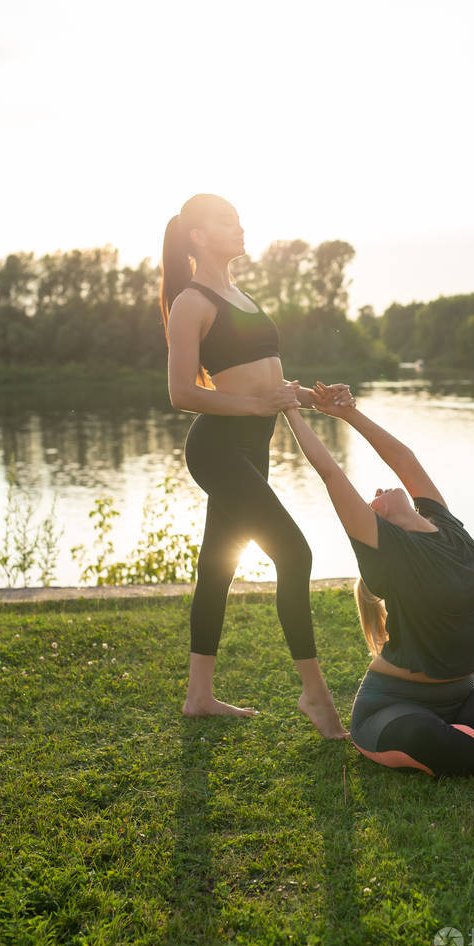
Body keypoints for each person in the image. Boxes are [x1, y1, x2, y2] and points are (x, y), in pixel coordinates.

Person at [285, 389, 474, 776]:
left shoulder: (446, 525)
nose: (377, 491)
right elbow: (330, 473)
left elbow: (403, 459)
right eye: (372, 500)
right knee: (425, 737)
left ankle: (469, 743)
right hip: (392, 709)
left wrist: (345, 413)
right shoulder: (390, 551)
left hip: (463, 698)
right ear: (378, 523)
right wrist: (290, 410)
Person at [160, 193, 349, 738]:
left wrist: (316, 397)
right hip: (218, 448)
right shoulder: (192, 302)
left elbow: (271, 387)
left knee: (217, 567)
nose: (240, 229)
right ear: (198, 235)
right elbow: (180, 393)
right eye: (227, 222)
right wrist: (256, 406)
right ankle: (315, 697)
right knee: (295, 552)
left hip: (253, 444)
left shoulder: (241, 295)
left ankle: (199, 697)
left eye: (241, 221)